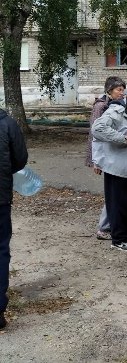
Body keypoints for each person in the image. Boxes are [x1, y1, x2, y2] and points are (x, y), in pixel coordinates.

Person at [91, 83, 127, 252]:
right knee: (118, 204)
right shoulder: (116, 111)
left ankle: (126, 234)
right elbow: (98, 128)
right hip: (116, 167)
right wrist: (122, 138)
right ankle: (118, 240)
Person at [86, 76, 126, 240]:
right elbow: (96, 134)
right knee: (111, 194)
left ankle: (110, 224)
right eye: (119, 90)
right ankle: (104, 228)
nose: (122, 93)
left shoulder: (115, 105)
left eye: (123, 89)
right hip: (103, 155)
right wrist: (97, 160)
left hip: (112, 153)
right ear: (109, 91)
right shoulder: (101, 106)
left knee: (113, 193)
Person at [0, 110, 28, 330]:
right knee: (0, 249)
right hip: (0, 197)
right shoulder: (7, 123)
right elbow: (20, 158)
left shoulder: (7, 123)